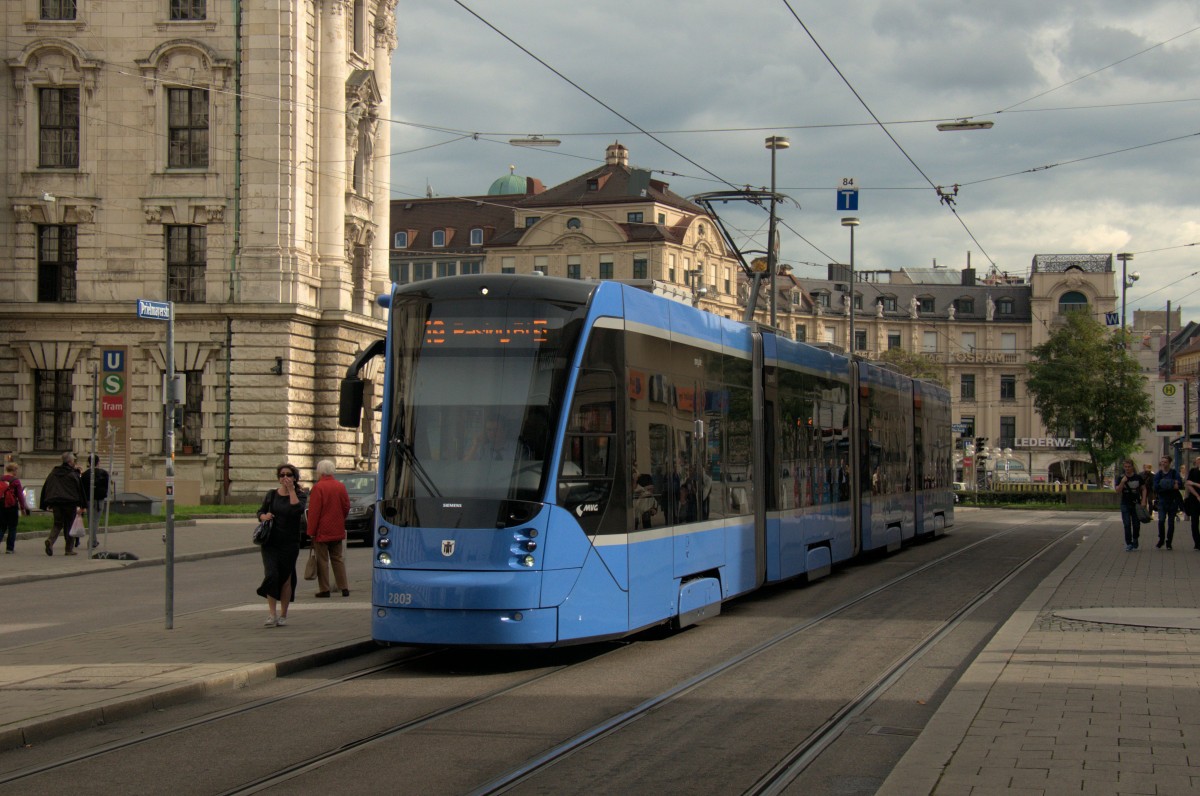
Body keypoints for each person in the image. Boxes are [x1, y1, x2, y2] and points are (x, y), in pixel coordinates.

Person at [256, 463, 308, 627]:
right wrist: (264, 516)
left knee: (286, 578)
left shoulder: (300, 495)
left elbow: (297, 510)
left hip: (290, 543)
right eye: (282, 475)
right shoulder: (271, 495)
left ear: (294, 478)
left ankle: (283, 614)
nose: (285, 477)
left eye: (288, 475)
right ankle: (272, 614)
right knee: (271, 575)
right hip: (270, 542)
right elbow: (260, 511)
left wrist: (291, 490)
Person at [306, 459, 351, 598]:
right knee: (337, 559)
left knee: (322, 560)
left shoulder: (318, 487)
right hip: (337, 528)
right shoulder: (340, 486)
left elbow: (314, 512)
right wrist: (340, 519)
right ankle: (344, 587)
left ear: (320, 471)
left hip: (322, 530)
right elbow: (346, 506)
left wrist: (311, 531)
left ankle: (324, 589)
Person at [40, 452, 86, 556]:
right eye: (73, 460)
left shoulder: (54, 473)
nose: (74, 462)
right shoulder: (72, 474)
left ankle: (50, 541)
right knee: (70, 525)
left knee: (57, 524)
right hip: (70, 503)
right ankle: (68, 549)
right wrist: (83, 505)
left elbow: (47, 487)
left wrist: (47, 502)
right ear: (70, 461)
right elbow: (80, 489)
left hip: (56, 503)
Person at [1114, 458, 1149, 552]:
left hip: (1136, 503)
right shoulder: (1120, 477)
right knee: (1127, 524)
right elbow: (1117, 490)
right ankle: (1129, 543)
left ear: (1132, 467)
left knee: (1136, 524)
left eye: (1129, 467)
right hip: (1125, 503)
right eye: (1125, 467)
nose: (1127, 469)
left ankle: (1135, 538)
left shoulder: (1138, 477)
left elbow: (1144, 489)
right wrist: (1122, 482)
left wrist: (1144, 500)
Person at [1152, 456, 1183, 549]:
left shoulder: (1174, 473)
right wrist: (1171, 484)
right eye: (1162, 462)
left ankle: (1169, 542)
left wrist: (1164, 484)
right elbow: (1156, 487)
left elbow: (1179, 485)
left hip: (1172, 501)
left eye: (1165, 462)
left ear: (1169, 463)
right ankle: (1161, 539)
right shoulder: (1158, 474)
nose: (1163, 464)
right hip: (1162, 501)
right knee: (1161, 520)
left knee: (1171, 522)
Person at [0, 462, 32, 554]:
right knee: (12, 527)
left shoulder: (1, 479)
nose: (17, 472)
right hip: (12, 506)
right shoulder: (15, 481)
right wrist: (23, 508)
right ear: (13, 470)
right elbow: (20, 496)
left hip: (1, 505)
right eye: (16, 470)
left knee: (1, 527)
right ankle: (9, 549)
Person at [81, 454, 110, 549]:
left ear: (89, 462)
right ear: (98, 462)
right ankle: (92, 541)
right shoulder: (104, 473)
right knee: (95, 521)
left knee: (90, 520)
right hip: (99, 500)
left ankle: (93, 541)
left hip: (89, 500)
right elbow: (107, 486)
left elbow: (82, 489)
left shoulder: (85, 475)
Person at [1184, 456, 1200, 551]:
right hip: (1194, 500)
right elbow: (1188, 484)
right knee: (1194, 522)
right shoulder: (1193, 471)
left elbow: (1191, 483)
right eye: (1198, 461)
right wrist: (1197, 495)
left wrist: (1194, 483)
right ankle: (1197, 543)